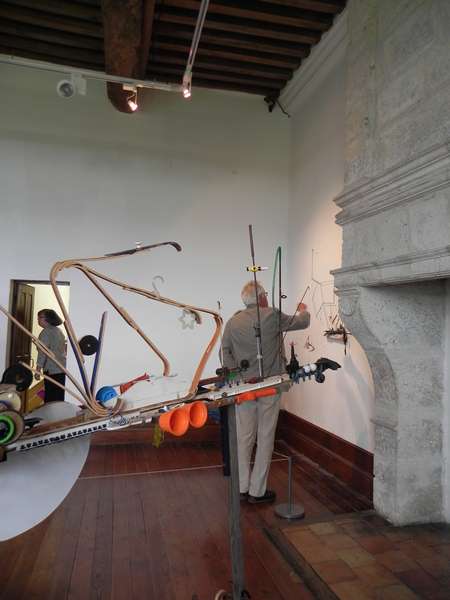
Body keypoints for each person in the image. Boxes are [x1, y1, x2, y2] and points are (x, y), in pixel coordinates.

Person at [221, 281, 310, 504]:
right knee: (265, 436)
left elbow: (225, 353)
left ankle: (241, 486)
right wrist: (303, 310)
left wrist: (238, 376)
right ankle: (257, 491)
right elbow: (302, 323)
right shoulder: (272, 315)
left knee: (244, 437)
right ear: (261, 297)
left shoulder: (232, 322)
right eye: (266, 295)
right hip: (270, 385)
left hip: (244, 387)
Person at [35, 309, 66, 402]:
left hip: (52, 369)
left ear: (48, 318)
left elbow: (42, 353)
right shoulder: (58, 330)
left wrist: (37, 370)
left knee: (51, 397)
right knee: (59, 396)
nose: (38, 320)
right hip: (62, 368)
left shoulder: (46, 332)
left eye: (40, 317)